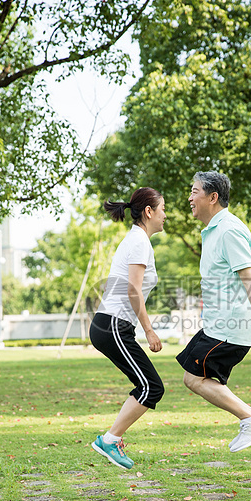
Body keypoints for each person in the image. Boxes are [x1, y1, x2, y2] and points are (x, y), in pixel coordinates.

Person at [176, 171, 251, 452]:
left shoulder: (229, 229)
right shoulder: (217, 229)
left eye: (194, 192)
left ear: (212, 197)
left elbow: (249, 276)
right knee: (191, 376)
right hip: (219, 326)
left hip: (230, 328)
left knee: (193, 378)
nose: (190, 197)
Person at [89, 187, 166, 469]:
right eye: (163, 209)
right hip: (112, 325)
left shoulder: (137, 240)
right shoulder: (139, 242)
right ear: (149, 211)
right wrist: (149, 330)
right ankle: (110, 439)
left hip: (112, 324)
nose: (165, 215)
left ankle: (112, 438)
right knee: (151, 387)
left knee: (150, 386)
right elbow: (133, 289)